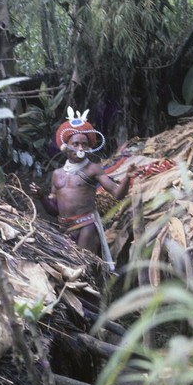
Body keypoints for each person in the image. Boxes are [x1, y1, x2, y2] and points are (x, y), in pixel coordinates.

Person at [29, 107, 136, 271]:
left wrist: (128, 177)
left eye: (84, 144)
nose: (80, 148)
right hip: (64, 228)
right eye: (76, 144)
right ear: (66, 146)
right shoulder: (57, 175)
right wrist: (41, 197)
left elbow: (117, 193)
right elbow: (54, 210)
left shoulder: (92, 169)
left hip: (86, 225)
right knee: (69, 269)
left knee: (84, 267)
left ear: (89, 147)